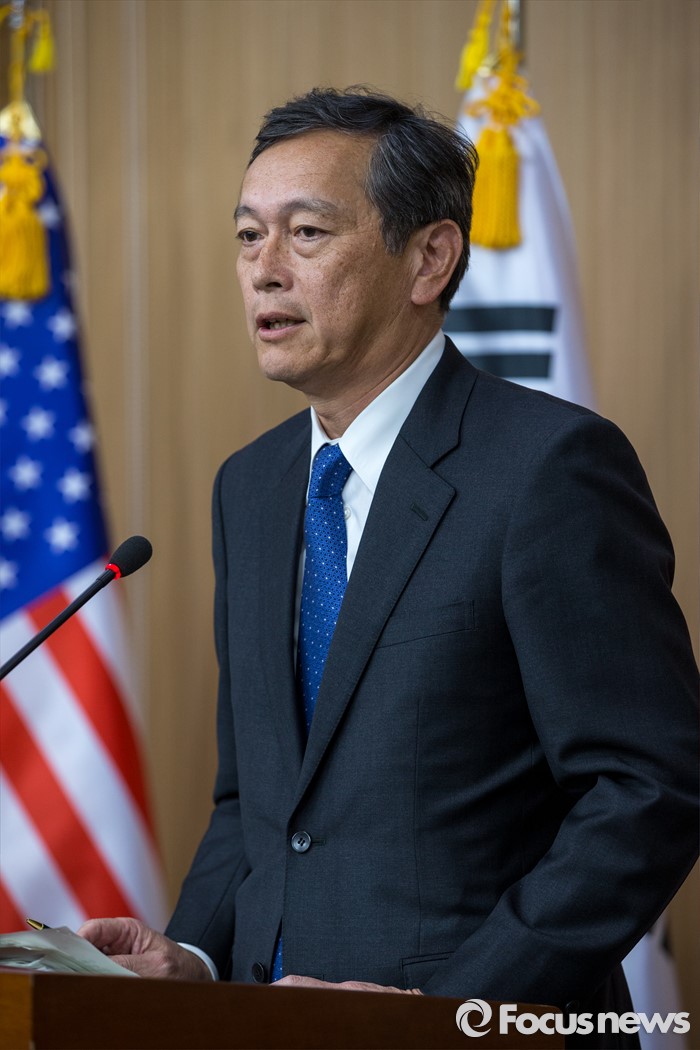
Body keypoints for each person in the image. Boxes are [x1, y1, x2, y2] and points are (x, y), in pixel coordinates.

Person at [80, 87, 698, 1044]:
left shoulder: (547, 468)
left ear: (430, 258)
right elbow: (257, 802)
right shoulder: (251, 487)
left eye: (307, 233)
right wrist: (194, 956)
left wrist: (452, 1009)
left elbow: (648, 788)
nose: (264, 270)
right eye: (248, 237)